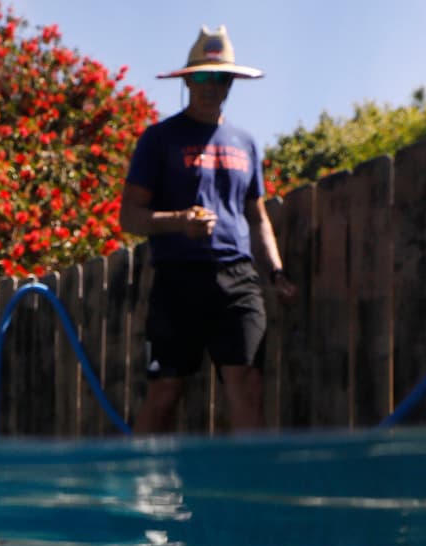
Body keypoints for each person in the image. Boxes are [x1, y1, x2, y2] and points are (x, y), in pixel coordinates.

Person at [119, 26, 297, 434]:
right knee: (165, 391)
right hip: (177, 279)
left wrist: (276, 273)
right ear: (187, 80)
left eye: (220, 77)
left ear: (231, 83)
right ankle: (137, 473)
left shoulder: (246, 143)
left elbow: (257, 217)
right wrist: (179, 221)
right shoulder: (159, 139)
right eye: (202, 76)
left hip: (238, 280)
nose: (210, 85)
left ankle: (248, 476)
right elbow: (129, 217)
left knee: (247, 383)